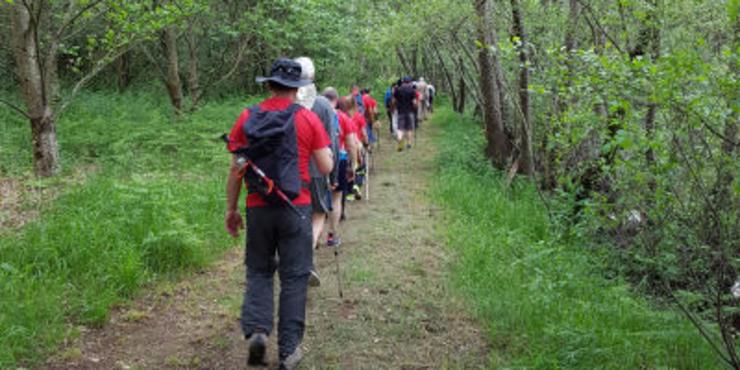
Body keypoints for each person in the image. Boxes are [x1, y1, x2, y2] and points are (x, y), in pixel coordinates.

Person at [224, 58, 333, 370]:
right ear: (297, 89)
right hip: (295, 207)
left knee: (258, 271)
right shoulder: (306, 118)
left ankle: (258, 331)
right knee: (295, 277)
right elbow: (325, 166)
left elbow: (236, 170)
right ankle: (288, 351)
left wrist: (231, 210)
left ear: (269, 84)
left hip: (258, 207)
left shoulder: (247, 117)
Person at [294, 57, 339, 288]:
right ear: (312, 77)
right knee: (318, 213)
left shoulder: (287, 102)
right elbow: (332, 140)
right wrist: (334, 175)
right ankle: (305, 260)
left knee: (296, 214)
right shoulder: (321, 104)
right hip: (318, 169)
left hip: (290, 170)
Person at [323, 88, 357, 244]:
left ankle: (314, 236)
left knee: (316, 198)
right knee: (336, 198)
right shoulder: (342, 117)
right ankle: (332, 234)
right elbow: (351, 144)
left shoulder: (314, 114)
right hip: (339, 160)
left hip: (317, 160)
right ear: (336, 101)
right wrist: (353, 164)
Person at [393, 76, 418, 151]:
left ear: (403, 81)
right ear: (410, 82)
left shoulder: (397, 89)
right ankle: (409, 144)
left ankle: (400, 139)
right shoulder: (412, 90)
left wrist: (394, 107)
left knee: (400, 128)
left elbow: (394, 100)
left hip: (400, 111)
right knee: (409, 128)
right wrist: (416, 107)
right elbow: (414, 102)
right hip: (409, 111)